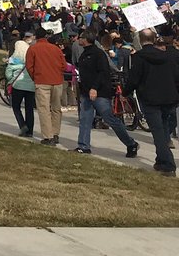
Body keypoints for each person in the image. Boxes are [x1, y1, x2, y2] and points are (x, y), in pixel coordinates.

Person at [73, 29, 139, 157]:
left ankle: (131, 143)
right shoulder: (84, 54)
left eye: (80, 38)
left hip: (99, 93)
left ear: (86, 39)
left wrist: (94, 88)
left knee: (110, 118)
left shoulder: (98, 54)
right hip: (86, 92)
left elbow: (103, 72)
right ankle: (83, 146)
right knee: (85, 120)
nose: (78, 40)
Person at [125, 29, 179, 176]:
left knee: (158, 132)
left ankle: (168, 164)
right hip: (168, 97)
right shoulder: (166, 56)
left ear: (140, 40)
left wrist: (125, 92)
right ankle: (161, 159)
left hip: (150, 98)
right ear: (154, 39)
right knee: (163, 128)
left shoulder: (139, 57)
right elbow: (176, 76)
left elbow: (134, 79)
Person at [26, 30, 66, 146]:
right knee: (56, 108)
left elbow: (29, 66)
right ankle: (55, 133)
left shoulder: (33, 49)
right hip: (57, 81)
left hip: (42, 81)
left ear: (35, 37)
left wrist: (35, 77)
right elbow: (64, 65)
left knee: (44, 109)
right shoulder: (55, 49)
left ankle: (48, 136)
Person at [5, 46, 36, 137]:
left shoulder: (13, 61)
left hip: (18, 86)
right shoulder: (31, 60)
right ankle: (30, 131)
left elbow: (8, 75)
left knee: (16, 107)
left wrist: (12, 80)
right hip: (31, 87)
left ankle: (22, 125)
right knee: (29, 109)